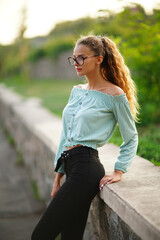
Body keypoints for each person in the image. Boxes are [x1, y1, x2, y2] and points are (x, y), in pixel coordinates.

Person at [31, 35, 139, 240]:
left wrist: (119, 170)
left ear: (99, 59)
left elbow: (131, 136)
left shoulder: (114, 94)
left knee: (40, 235)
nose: (76, 63)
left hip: (87, 168)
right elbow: (66, 136)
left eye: (82, 58)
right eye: (73, 58)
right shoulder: (77, 92)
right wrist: (58, 176)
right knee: (71, 236)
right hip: (70, 166)